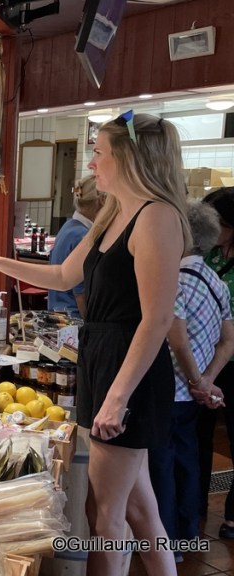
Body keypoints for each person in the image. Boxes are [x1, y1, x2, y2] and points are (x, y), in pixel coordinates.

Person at [0, 112, 188, 575]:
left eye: (99, 152)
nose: (92, 162)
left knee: (105, 518)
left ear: (128, 158)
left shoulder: (156, 217)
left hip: (129, 369)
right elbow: (63, 275)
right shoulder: (115, 213)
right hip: (101, 357)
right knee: (140, 511)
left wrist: (117, 398)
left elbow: (157, 319)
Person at [148, 200, 231, 558]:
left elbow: (175, 336)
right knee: (189, 460)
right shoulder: (217, 282)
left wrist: (196, 380)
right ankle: (188, 533)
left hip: (169, 389)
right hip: (198, 395)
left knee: (162, 465)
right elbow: (229, 341)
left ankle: (166, 544)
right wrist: (209, 379)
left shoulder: (173, 279)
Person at [198, 187, 234, 538]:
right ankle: (194, 506)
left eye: (218, 223)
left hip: (230, 361)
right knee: (200, 435)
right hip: (205, 360)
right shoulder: (209, 255)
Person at [47, 175, 104, 317]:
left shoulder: (68, 226)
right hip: (73, 316)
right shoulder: (82, 236)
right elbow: (81, 294)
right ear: (102, 201)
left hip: (57, 311)